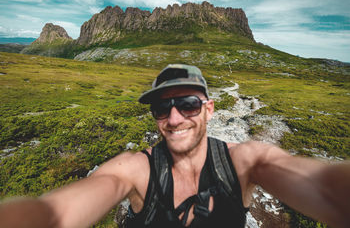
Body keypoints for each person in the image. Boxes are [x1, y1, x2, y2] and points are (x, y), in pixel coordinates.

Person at [0, 64, 349, 228]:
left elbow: (324, 188)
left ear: (210, 109)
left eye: (189, 104)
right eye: (161, 108)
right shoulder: (135, 168)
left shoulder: (244, 161)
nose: (175, 118)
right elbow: (55, 215)